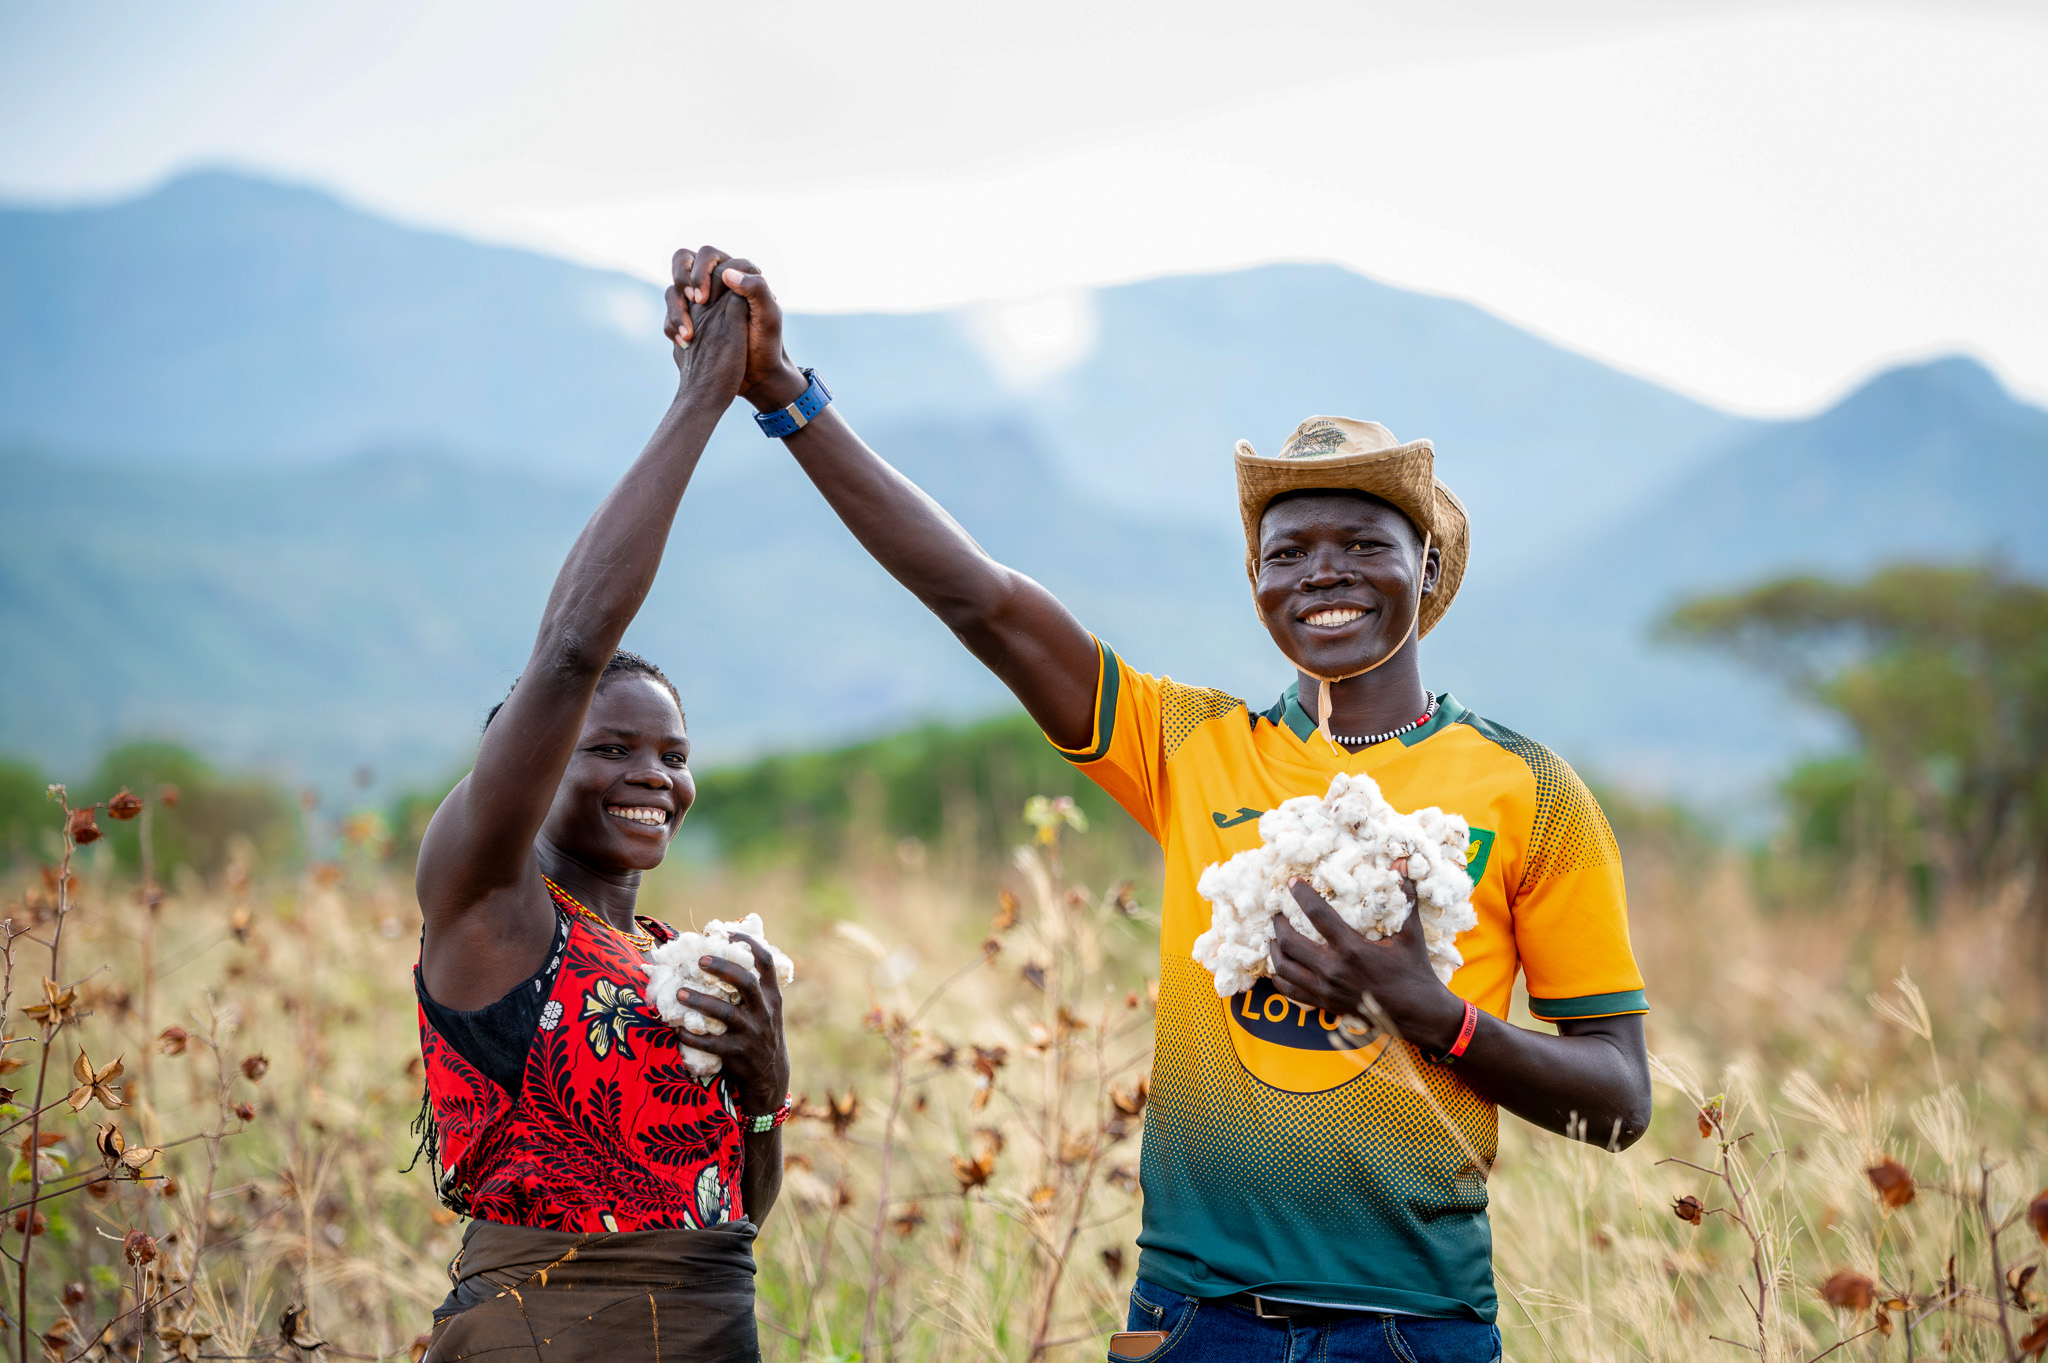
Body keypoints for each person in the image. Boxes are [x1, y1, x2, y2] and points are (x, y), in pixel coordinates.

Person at [677, 248, 1653, 1363]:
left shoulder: (1529, 791)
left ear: (1425, 568)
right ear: (1256, 587)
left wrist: (1432, 1014)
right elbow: (981, 600)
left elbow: (1616, 1101)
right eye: (1287, 553)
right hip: (1189, 1322)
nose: (1320, 574)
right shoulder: (1189, 747)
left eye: (1361, 545)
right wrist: (785, 394)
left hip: (1412, 1331)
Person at [410, 252, 791, 1363]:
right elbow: (572, 647)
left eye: (672, 753)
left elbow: (723, 1219)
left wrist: (766, 1084)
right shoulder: (493, 911)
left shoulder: (675, 960)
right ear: (522, 766)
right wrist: (703, 397)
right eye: (609, 747)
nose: (652, 776)